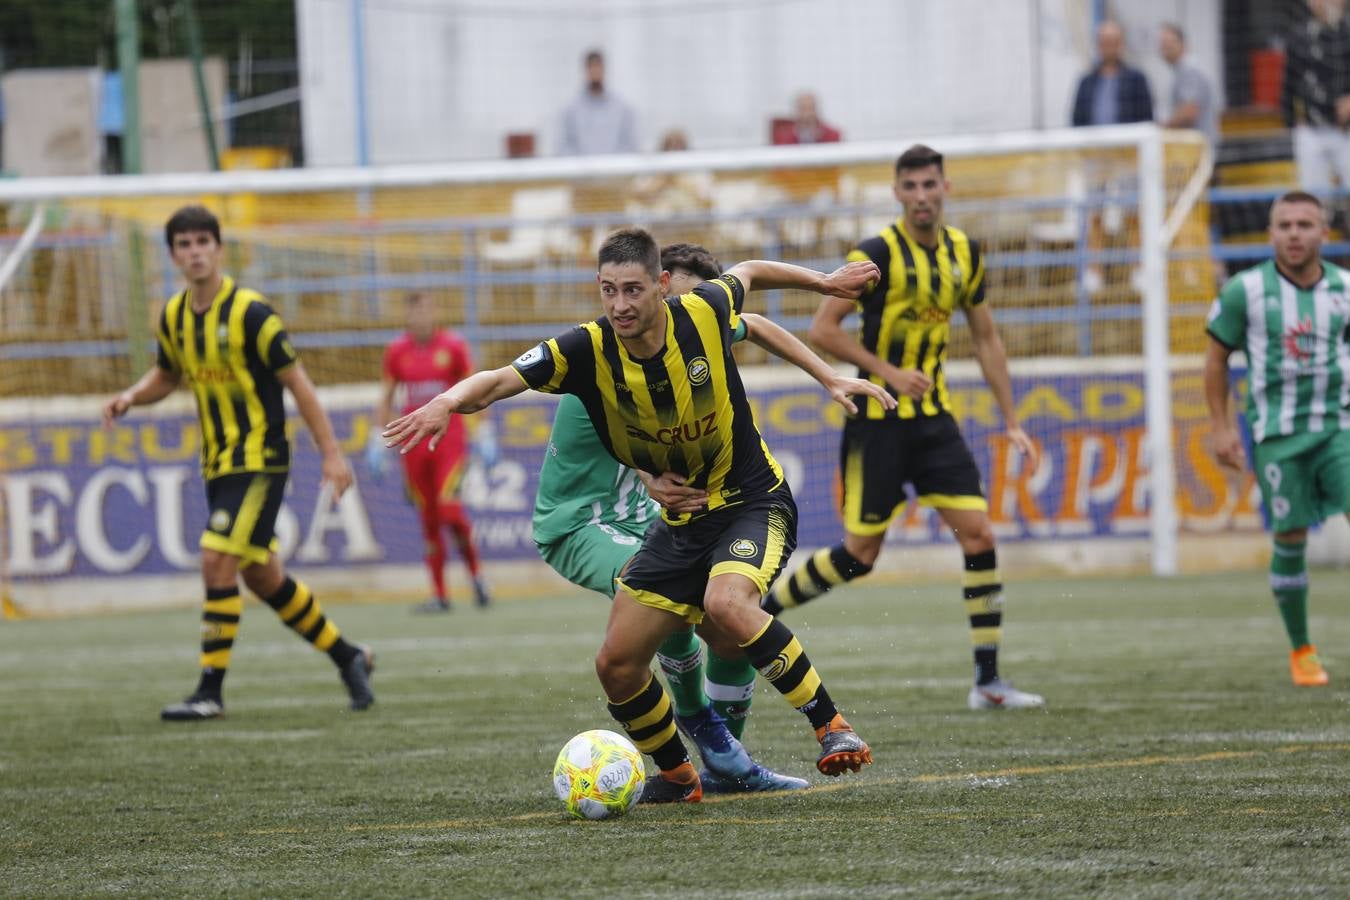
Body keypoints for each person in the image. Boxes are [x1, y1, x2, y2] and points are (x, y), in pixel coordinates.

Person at [386, 228, 879, 802]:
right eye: (608, 291)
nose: (620, 305)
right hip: (665, 525)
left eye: (633, 291)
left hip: (750, 501)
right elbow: (498, 380)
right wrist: (446, 400)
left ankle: (832, 727)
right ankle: (679, 776)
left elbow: (750, 273)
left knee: (725, 607)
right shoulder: (585, 350)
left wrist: (824, 294)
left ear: (662, 288)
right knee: (617, 665)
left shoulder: (702, 313)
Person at [533, 242, 892, 793]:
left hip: (666, 514)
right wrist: (650, 477)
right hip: (587, 520)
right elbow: (625, 431)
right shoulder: (608, 349)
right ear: (664, 286)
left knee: (730, 622)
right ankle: (708, 734)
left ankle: (727, 764)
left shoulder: (691, 322)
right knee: (686, 612)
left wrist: (828, 376)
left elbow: (755, 323)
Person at [763, 145, 1046, 712]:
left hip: (935, 422)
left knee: (979, 534)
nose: (921, 196)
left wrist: (1012, 418)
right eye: (911, 187)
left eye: (930, 185)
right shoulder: (875, 254)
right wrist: (889, 373)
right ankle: (758, 613)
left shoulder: (964, 252)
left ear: (946, 188)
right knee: (859, 555)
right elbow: (824, 328)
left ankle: (988, 680)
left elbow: (986, 336)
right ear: (897, 193)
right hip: (879, 423)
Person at [103, 205, 374, 720]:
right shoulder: (174, 316)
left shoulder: (252, 313)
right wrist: (129, 398)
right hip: (217, 463)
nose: (195, 251)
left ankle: (210, 691)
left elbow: (298, 383)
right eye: (184, 244)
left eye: (203, 241)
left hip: (261, 459)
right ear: (173, 255)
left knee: (215, 559)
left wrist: (333, 453)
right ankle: (350, 656)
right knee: (262, 577)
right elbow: (166, 375)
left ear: (219, 248)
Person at [1204, 191, 1350, 688]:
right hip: (1276, 435)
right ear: (1270, 233)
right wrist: (1222, 427)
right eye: (1284, 224)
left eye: (1304, 224)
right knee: (1290, 539)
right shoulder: (1246, 291)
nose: (1293, 233)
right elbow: (1215, 359)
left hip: (1339, 428)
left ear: (1323, 233)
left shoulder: (1345, 290)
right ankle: (1302, 650)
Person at [370, 292, 493, 612]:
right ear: (408, 316)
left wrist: (484, 431)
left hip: (449, 444)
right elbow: (386, 396)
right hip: (414, 447)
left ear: (434, 312)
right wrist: (375, 438)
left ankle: (477, 576)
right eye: (415, 312)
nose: (421, 318)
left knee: (449, 511)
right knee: (428, 519)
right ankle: (440, 595)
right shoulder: (397, 351)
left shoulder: (453, 346)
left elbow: (476, 385)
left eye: (426, 311)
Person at [1281, 0, 1350, 194]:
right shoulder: (1299, 37)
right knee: (1313, 196)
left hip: (1346, 131)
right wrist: (1292, 122)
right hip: (1311, 130)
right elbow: (1289, 85)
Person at [1071, 20, 1154, 127]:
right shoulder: (1086, 82)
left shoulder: (1136, 79)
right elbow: (1077, 120)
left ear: (1121, 44)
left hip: (1127, 142)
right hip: (1093, 143)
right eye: (1105, 43)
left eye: (1113, 42)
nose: (1109, 48)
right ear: (1098, 45)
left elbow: (1146, 119)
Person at [558, 49, 637, 156]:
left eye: (598, 67)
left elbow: (630, 144)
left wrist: (613, 165)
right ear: (585, 70)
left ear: (604, 69)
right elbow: (564, 146)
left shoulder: (622, 108)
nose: (595, 72)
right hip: (581, 171)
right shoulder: (570, 111)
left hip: (615, 170)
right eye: (591, 67)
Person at [1158, 22, 1217, 149]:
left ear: (1182, 44)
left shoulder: (1189, 70)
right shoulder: (1180, 71)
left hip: (1198, 151)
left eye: (1169, 43)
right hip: (1194, 149)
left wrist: (1161, 128)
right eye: (1162, 43)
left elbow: (1189, 111)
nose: (1164, 48)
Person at [773, 91, 842, 144]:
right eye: (803, 109)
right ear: (796, 111)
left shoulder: (832, 135)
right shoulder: (783, 137)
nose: (807, 114)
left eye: (810, 108)